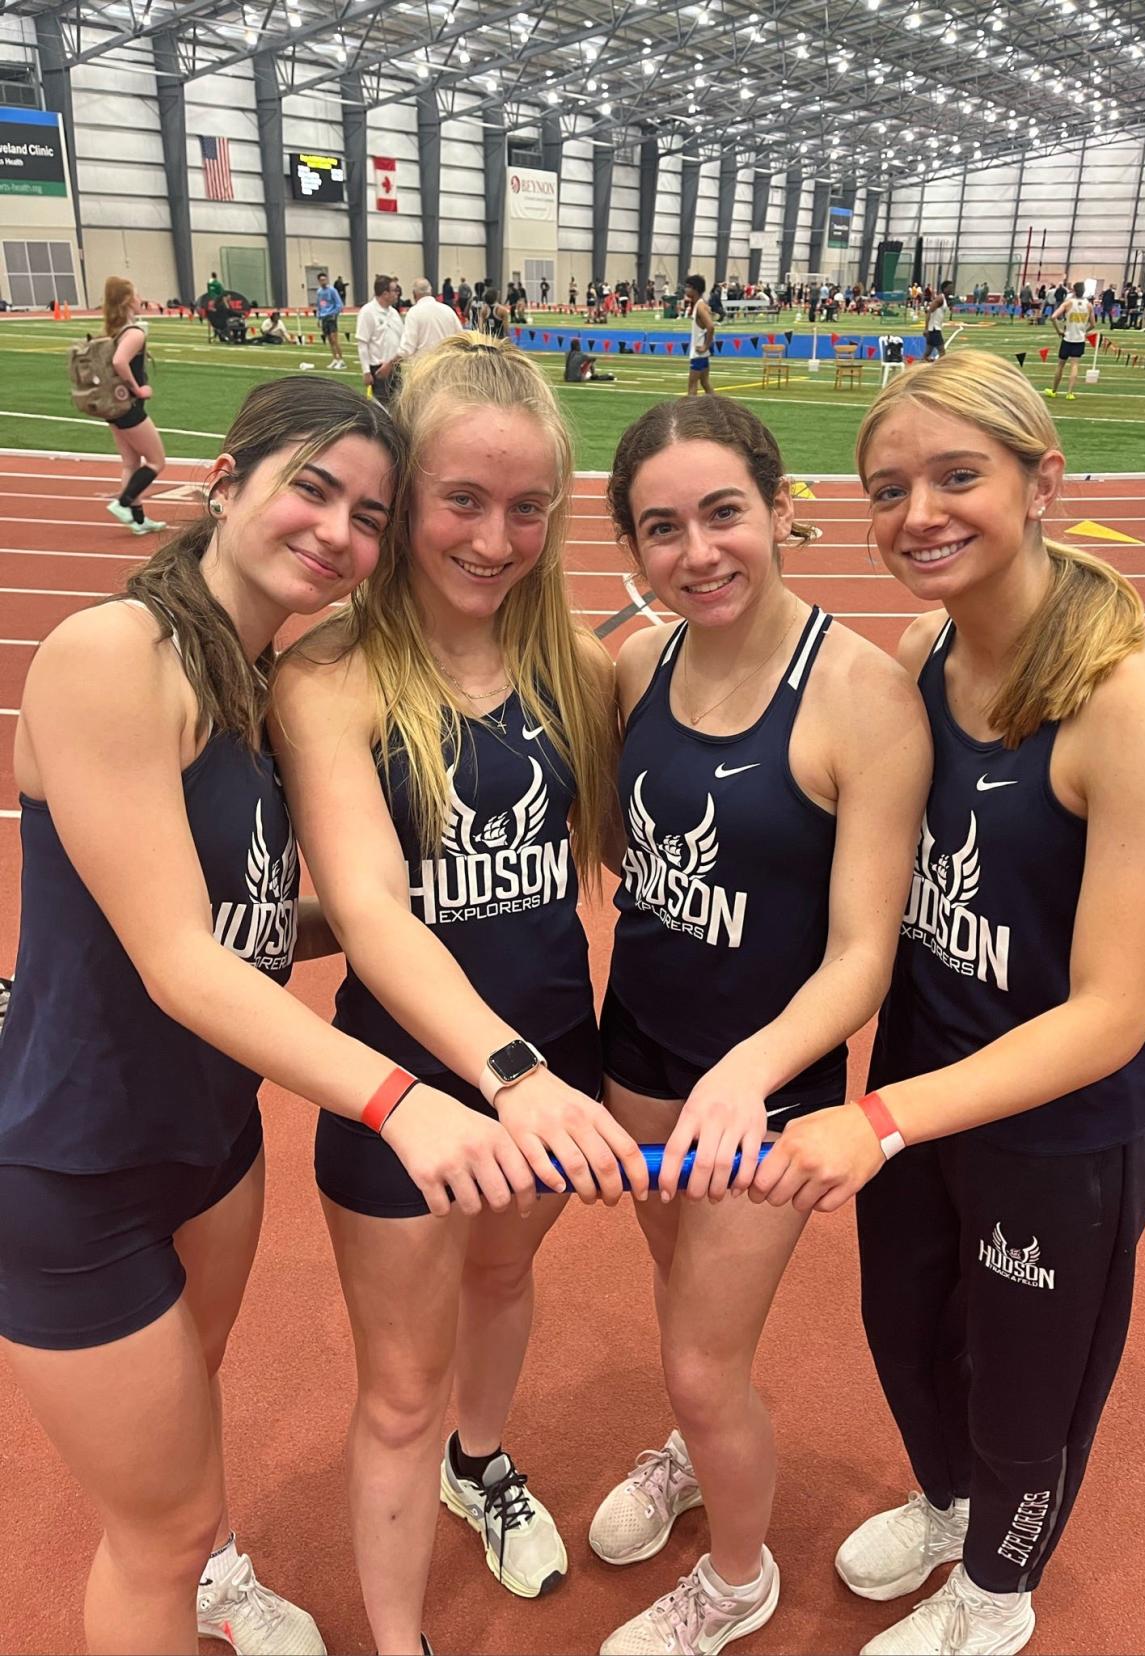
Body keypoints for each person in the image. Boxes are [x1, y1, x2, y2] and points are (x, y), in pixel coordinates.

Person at [0, 376, 547, 1656]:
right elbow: (182, 962)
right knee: (155, 1532)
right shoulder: (113, 654)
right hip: (79, 1168)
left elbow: (243, 926)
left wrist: (371, 921)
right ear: (227, 478)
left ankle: (215, 1566)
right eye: (312, 487)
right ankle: (194, 1566)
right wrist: (404, 1101)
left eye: (368, 512)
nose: (338, 531)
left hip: (212, 1142)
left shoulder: (249, 681)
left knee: (190, 1420)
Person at [750, 350, 1145, 1656]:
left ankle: (995, 1593)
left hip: (1058, 1128)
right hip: (922, 1084)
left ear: (1041, 481)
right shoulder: (920, 646)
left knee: (1025, 1387)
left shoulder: (1126, 698)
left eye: (956, 477)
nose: (917, 514)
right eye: (887, 488)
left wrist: (877, 1120)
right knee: (901, 1328)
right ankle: (947, 1508)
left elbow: (1108, 1012)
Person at [268, 334, 647, 1654]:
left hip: (553, 1066)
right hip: (417, 1092)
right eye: (462, 501)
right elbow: (368, 908)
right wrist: (504, 1071)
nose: (496, 538)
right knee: (393, 1392)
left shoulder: (581, 669)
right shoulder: (329, 674)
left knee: (500, 1281)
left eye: (527, 506)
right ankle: (397, 1638)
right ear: (409, 493)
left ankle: (479, 1466)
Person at [589, 396, 931, 1655]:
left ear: (784, 511)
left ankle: (739, 1582)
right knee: (680, 1293)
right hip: (637, 1056)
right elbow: (622, 859)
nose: (699, 551)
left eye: (724, 512)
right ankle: (690, 1453)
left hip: (768, 1084)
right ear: (633, 552)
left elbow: (862, 956)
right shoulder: (637, 665)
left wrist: (754, 1069)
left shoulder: (861, 697)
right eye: (662, 528)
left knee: (699, 1357)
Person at [100, 276, 167, 537]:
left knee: (130, 462)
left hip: (113, 405)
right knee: (156, 461)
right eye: (136, 295)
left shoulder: (113, 331)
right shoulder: (134, 333)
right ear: (128, 300)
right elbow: (119, 361)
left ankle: (138, 520)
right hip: (129, 406)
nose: (140, 299)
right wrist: (138, 389)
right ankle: (123, 503)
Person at [356, 273, 405, 404]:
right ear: (385, 294)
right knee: (383, 409)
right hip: (378, 370)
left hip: (395, 367)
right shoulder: (368, 312)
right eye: (395, 290)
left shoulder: (394, 313)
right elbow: (362, 343)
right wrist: (366, 372)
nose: (397, 294)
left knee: (398, 407)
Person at [1044, 279, 1093, 399]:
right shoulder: (1089, 305)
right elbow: (1093, 324)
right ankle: (1069, 393)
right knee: (1074, 366)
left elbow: (1053, 317)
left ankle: (1054, 391)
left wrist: (1058, 330)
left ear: (1074, 291)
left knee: (1060, 365)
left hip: (1067, 337)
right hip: (1079, 339)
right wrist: (1084, 332)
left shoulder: (1068, 303)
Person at [399, 275, 463, 360]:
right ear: (431, 291)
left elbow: (408, 347)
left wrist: (391, 361)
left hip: (424, 366)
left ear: (414, 294)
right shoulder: (448, 310)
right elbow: (461, 337)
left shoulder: (413, 313)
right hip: (448, 364)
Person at [683, 274, 716, 396]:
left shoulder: (700, 306)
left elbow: (711, 327)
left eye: (688, 287)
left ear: (695, 289)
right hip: (701, 352)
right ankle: (718, 408)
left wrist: (705, 346)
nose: (686, 290)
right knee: (705, 383)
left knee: (692, 386)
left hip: (698, 352)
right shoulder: (699, 305)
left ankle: (690, 413)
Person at [314, 271, 346, 368]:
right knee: (329, 340)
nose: (323, 281)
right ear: (319, 281)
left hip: (331, 317)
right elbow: (319, 305)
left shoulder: (332, 290)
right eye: (321, 280)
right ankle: (335, 359)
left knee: (334, 339)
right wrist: (318, 318)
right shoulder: (319, 292)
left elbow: (339, 304)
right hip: (324, 317)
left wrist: (334, 313)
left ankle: (341, 359)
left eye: (324, 279)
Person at [924, 287, 950, 360]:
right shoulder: (940, 299)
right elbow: (929, 312)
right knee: (942, 352)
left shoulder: (944, 299)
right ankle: (940, 369)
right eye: (949, 287)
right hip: (935, 329)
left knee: (927, 354)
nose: (951, 290)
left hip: (934, 328)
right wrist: (926, 328)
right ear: (944, 288)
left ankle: (920, 366)